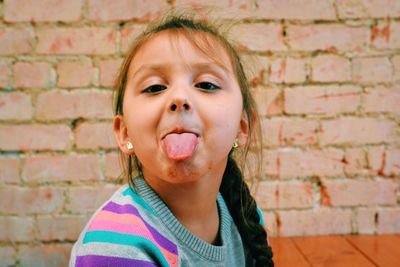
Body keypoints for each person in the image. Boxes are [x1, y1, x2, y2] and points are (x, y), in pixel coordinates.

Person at [69, 12, 274, 267]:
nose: (179, 98)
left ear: (242, 128)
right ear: (125, 133)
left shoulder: (245, 218)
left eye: (207, 85)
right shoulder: (117, 249)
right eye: (154, 87)